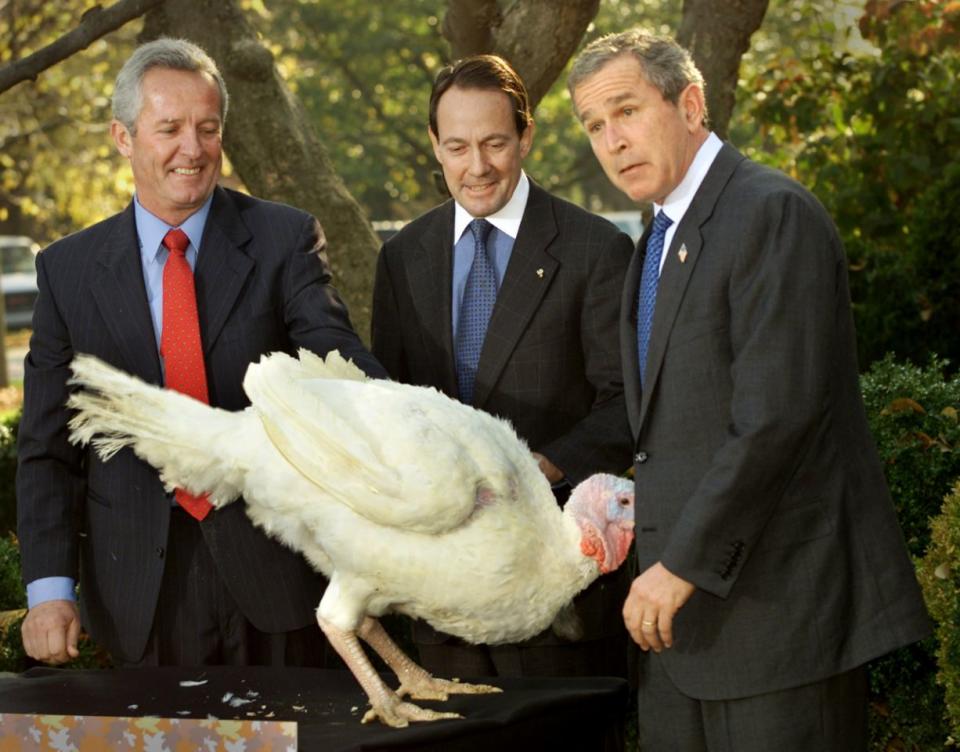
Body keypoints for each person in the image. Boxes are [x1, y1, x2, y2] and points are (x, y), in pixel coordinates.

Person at [568, 29, 931, 751]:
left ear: (691, 103)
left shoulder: (771, 212)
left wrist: (681, 566)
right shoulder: (653, 242)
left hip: (778, 622)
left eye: (627, 111)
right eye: (594, 126)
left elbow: (778, 417)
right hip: (679, 639)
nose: (612, 141)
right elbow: (679, 428)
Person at [17, 38, 386, 668]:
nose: (193, 149)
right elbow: (48, 448)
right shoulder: (67, 271)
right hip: (136, 597)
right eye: (170, 129)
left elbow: (343, 372)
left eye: (207, 128)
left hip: (278, 579)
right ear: (122, 137)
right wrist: (50, 590)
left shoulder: (283, 239)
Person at [371, 54, 635, 679]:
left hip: (558, 585)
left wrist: (542, 465)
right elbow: (389, 407)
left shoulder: (596, 250)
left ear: (526, 135)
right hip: (442, 593)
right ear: (435, 144)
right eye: (457, 146)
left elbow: (628, 402)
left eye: (494, 143)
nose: (477, 166)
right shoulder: (403, 258)